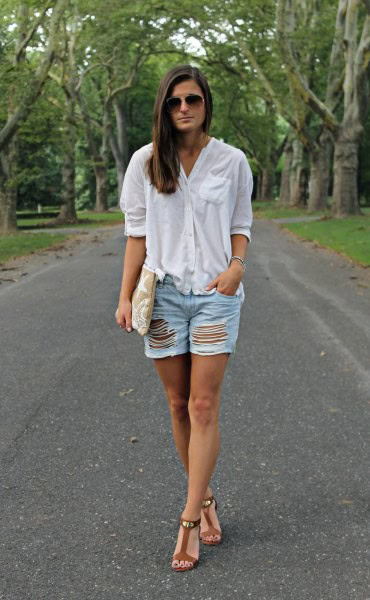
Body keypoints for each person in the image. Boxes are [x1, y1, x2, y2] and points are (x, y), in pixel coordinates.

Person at [116, 64, 253, 572]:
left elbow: (241, 224)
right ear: (163, 107)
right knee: (177, 403)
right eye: (174, 102)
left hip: (217, 294)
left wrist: (236, 268)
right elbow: (136, 234)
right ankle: (208, 495)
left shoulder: (232, 161)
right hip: (166, 296)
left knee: (202, 404)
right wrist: (125, 295)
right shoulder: (146, 163)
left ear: (205, 103)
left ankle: (189, 519)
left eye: (192, 100)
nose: (183, 109)